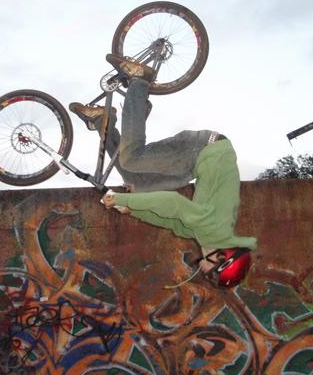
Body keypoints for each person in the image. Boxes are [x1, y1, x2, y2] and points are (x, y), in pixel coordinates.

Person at [69, 54, 256, 287]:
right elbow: (173, 203)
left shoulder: (201, 234)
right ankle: (139, 81)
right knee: (131, 158)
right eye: (210, 273)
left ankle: (101, 122)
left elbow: (171, 220)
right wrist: (120, 198)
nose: (203, 271)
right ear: (221, 258)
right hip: (204, 149)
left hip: (197, 165)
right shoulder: (213, 230)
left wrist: (132, 209)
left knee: (135, 182)